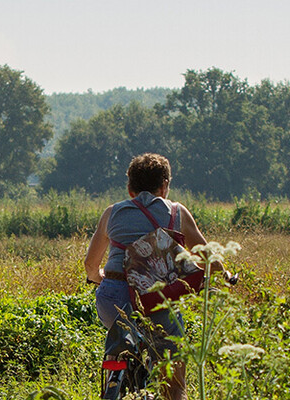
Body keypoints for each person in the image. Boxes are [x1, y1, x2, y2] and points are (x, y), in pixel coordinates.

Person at [81, 153, 219, 400]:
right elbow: (209, 260)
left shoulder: (112, 213)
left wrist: (100, 277)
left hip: (112, 300)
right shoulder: (177, 212)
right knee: (174, 383)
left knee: (119, 332)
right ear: (165, 185)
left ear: (130, 188)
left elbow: (91, 265)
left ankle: (115, 367)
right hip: (156, 302)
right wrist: (221, 274)